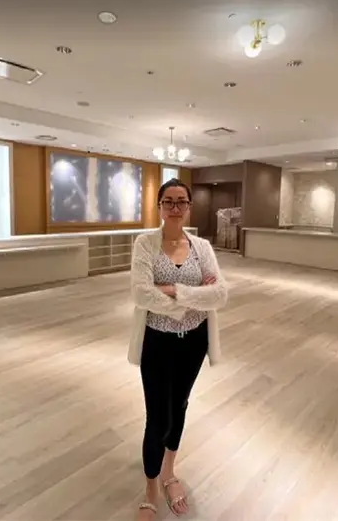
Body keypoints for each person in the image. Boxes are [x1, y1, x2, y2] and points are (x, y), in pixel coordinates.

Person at [128, 178, 228, 519]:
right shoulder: (145, 244)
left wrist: (172, 291)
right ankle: (151, 486)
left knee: (180, 405)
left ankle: (170, 472)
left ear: (188, 207)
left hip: (194, 343)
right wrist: (194, 295)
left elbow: (220, 294)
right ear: (159, 206)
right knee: (158, 417)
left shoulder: (203, 247)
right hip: (157, 341)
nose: (174, 208)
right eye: (168, 201)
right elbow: (142, 294)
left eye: (181, 202)